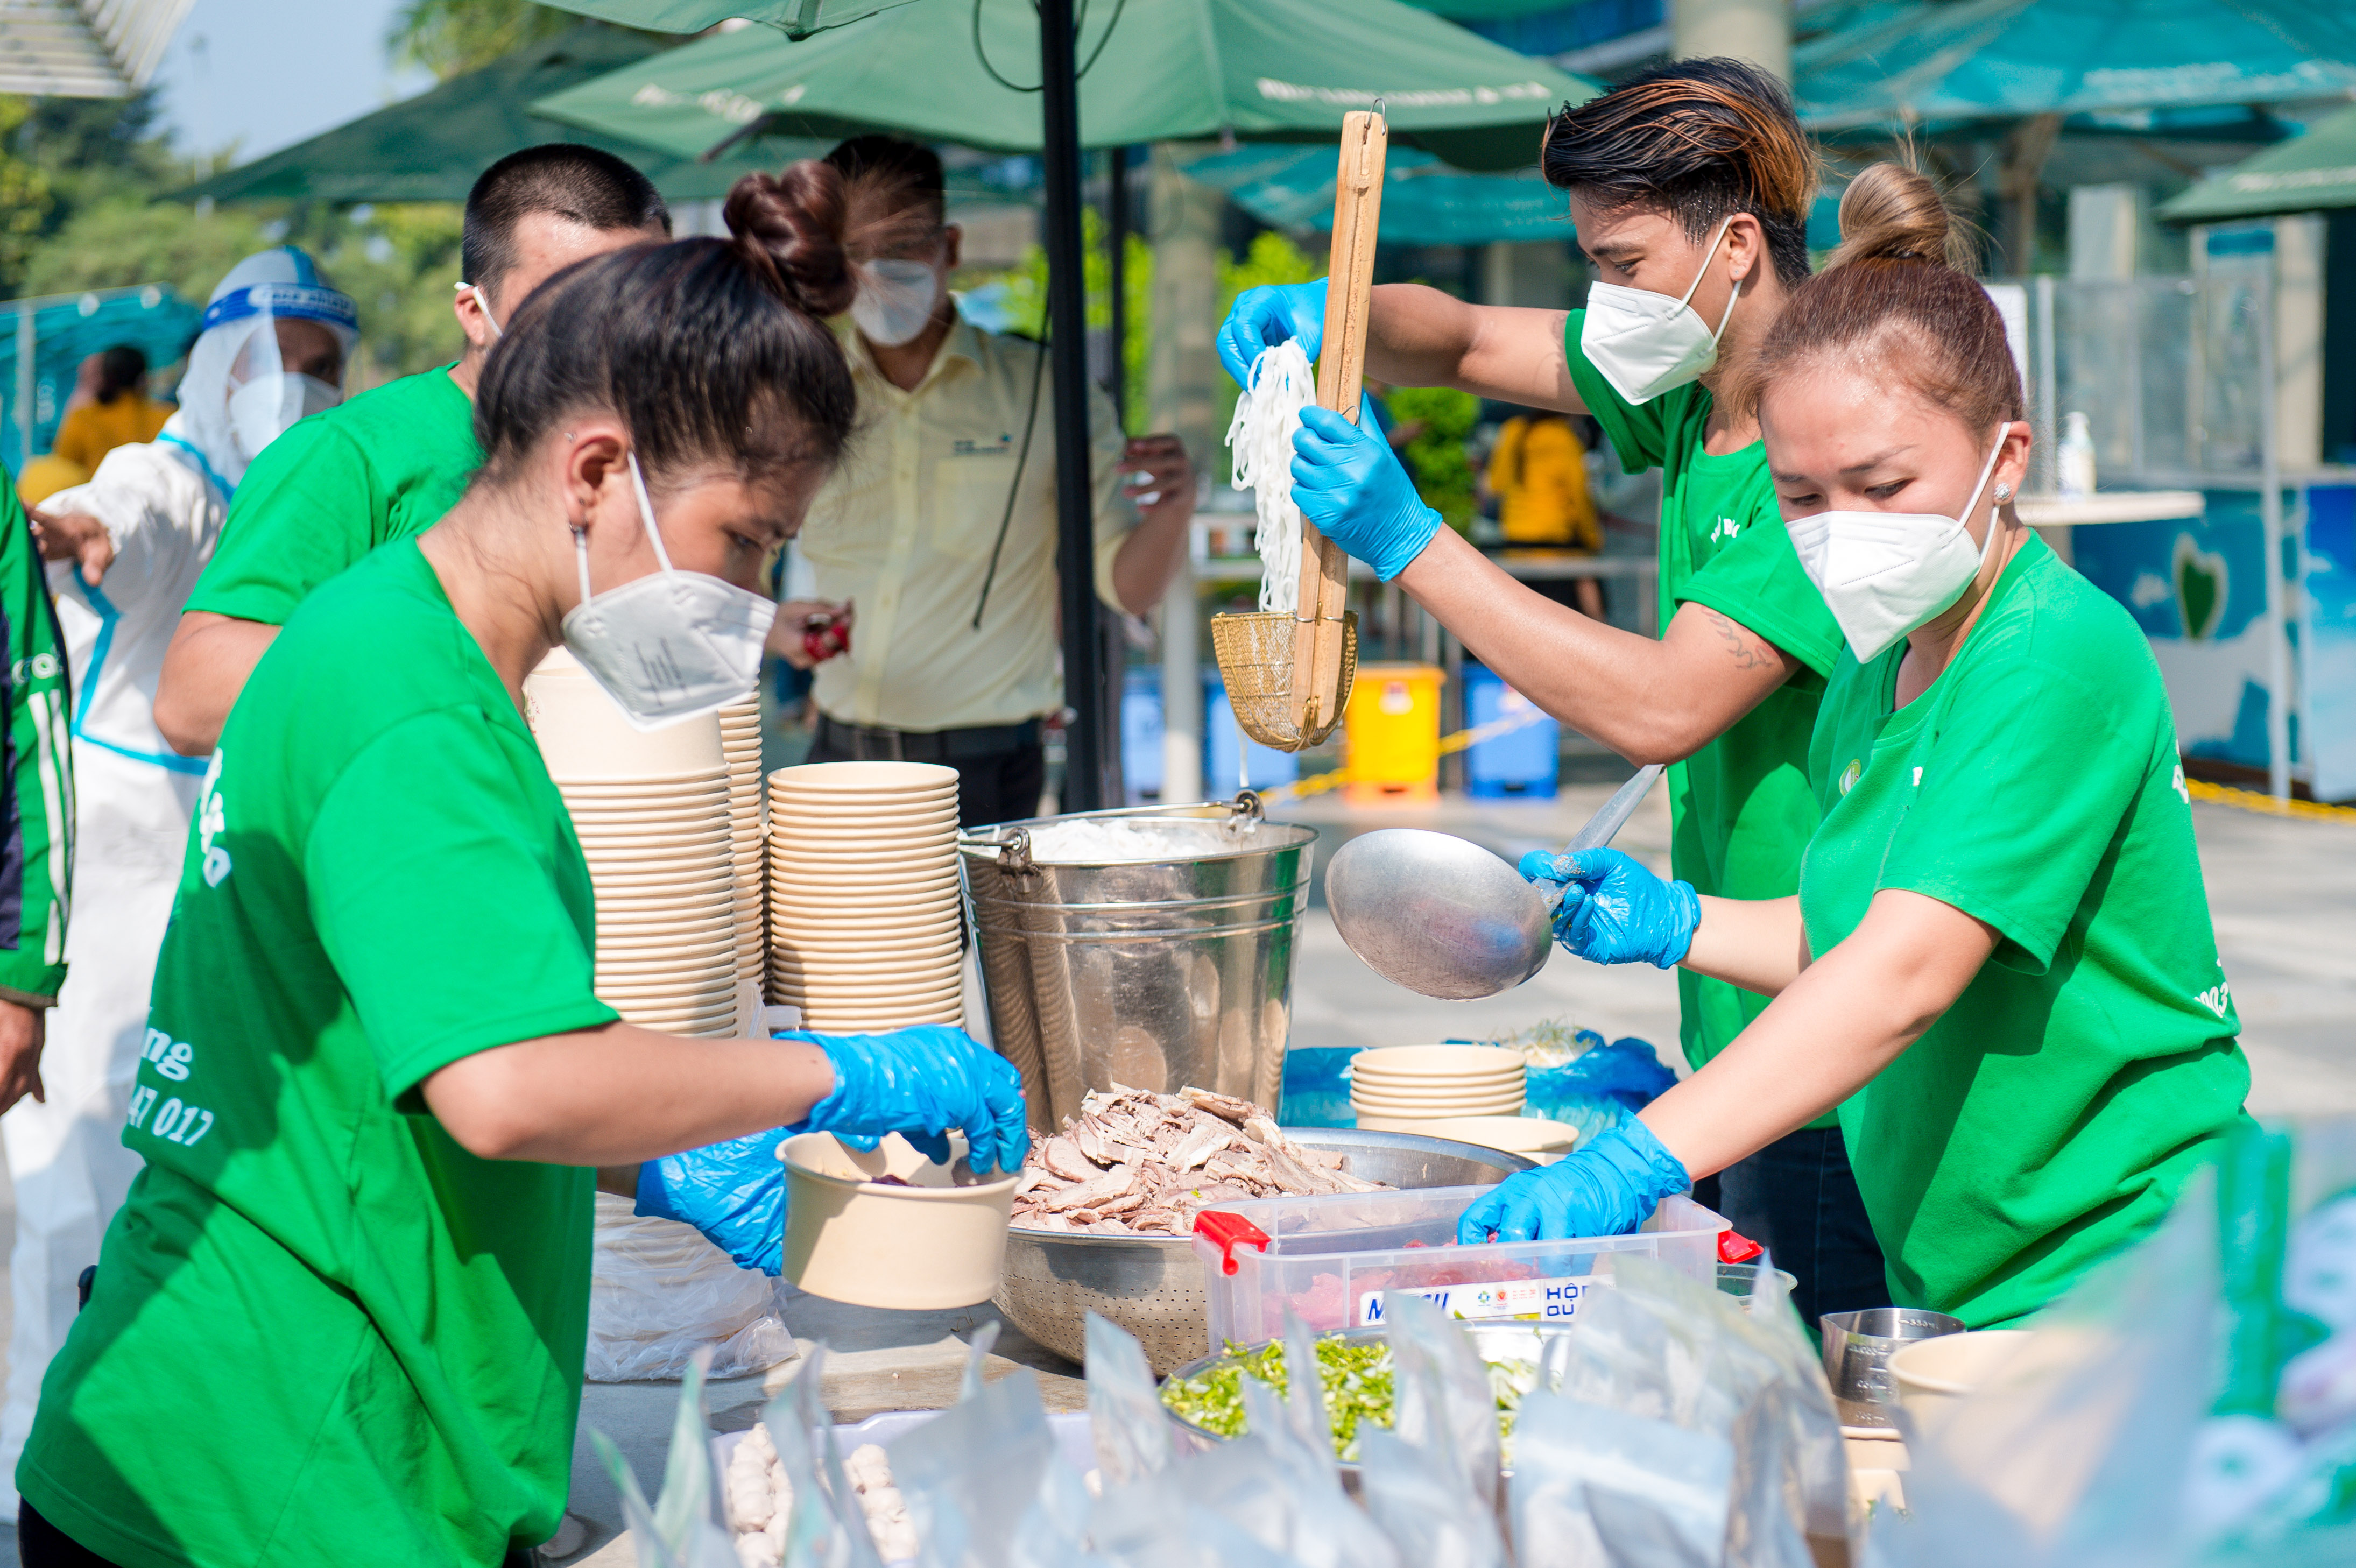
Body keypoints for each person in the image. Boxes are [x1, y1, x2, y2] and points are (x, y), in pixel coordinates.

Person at [15, 163, 1029, 1568]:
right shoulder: (416, 704)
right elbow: (506, 1085)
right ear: (599, 470)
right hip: (274, 1462)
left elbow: (403, 1058)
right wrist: (841, 1072)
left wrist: (634, 1156)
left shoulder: (398, 639)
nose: (751, 600)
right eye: (746, 539)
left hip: (301, 1424)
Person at [1459, 166, 2252, 1329]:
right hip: (1961, 1271)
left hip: (2121, 1271)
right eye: (1800, 496)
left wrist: (1636, 1156)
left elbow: (1900, 976)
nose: (1842, 535)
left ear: (2007, 455)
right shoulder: (1875, 658)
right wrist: (1679, 921)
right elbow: (1847, 928)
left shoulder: (2048, 658)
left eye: (1883, 486)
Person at [1218, 59, 1883, 1326]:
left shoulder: (1824, 457)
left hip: (1837, 1042)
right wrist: (1329, 311)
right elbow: (1466, 337)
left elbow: (1660, 706)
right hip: (1742, 1012)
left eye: (1619, 261)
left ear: (1734, 246)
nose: (1601, 297)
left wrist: (1408, 536)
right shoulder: (1697, 399)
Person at [1, 248, 357, 1514]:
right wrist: (73, 527)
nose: (303, 394)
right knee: (71, 1154)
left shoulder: (297, 503)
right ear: (218, 368)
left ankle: (145, 1429)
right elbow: (118, 515)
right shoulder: (176, 476)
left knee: (170, 1143)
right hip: (106, 862)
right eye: (282, 367)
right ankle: (30, 1452)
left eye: (326, 371)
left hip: (209, 863)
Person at [153, 143, 673, 755]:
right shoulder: (348, 455)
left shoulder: (656, 451)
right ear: (475, 313)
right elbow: (190, 703)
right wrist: (441, 649)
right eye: (571, 303)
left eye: (642, 299)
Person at [785, 135, 1196, 829]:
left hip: (984, 773)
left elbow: (1127, 586)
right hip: (835, 763)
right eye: (855, 251)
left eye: (905, 246)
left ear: (950, 246)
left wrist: (1174, 508)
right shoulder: (804, 386)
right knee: (832, 944)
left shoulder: (1044, 389)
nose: (880, 272)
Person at [1482, 408, 1604, 618]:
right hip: (1556, 541)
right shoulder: (1563, 436)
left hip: (1516, 541)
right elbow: (1579, 495)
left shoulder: (1513, 430)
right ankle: (1605, 636)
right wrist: (1593, 537)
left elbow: (1495, 484)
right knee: (1578, 604)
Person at [49, 348, 171, 476]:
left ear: (104, 376)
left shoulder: (83, 418)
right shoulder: (167, 416)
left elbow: (62, 466)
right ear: (144, 376)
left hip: (98, 493)